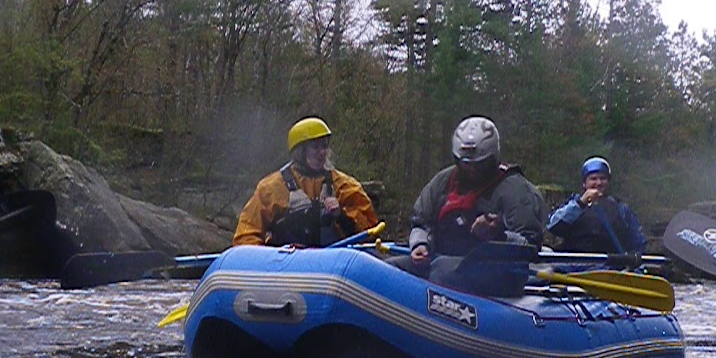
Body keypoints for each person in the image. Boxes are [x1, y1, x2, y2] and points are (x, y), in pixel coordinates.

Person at [403, 116, 545, 274]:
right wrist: (420, 244)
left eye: (479, 164)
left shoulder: (514, 190)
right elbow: (421, 222)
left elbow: (531, 246)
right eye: (466, 164)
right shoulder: (444, 181)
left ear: (492, 158)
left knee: (441, 269)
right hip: (440, 262)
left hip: (492, 272)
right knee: (395, 267)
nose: (472, 170)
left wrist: (497, 235)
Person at [232, 117, 379, 248]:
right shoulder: (271, 188)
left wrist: (341, 215)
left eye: (324, 146)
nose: (322, 152)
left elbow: (369, 231)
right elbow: (246, 235)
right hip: (286, 265)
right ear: (300, 151)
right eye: (315, 147)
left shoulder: (344, 185)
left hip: (330, 264)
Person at [547, 156, 647, 258]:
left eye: (603, 178)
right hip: (574, 267)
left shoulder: (621, 209)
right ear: (584, 183)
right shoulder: (573, 204)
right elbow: (553, 226)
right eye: (593, 178)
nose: (598, 183)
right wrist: (581, 203)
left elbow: (638, 242)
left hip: (611, 267)